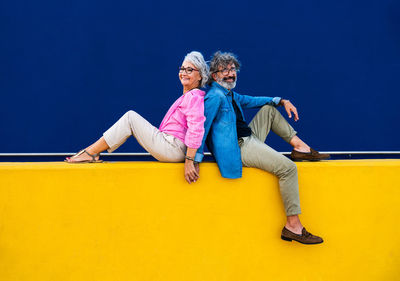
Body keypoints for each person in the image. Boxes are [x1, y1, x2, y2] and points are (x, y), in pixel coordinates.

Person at [194, 51, 329, 244]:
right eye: (225, 70)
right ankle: (293, 226)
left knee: (268, 110)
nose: (231, 73)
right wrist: (194, 160)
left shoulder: (229, 93)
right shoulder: (215, 96)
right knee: (288, 169)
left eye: (233, 69)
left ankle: (301, 148)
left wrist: (281, 101)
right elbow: (202, 128)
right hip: (239, 148)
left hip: (248, 138)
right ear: (214, 76)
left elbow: (252, 100)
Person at [66, 51, 208, 184]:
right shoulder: (191, 96)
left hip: (174, 148)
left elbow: (196, 128)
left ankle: (90, 153)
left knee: (130, 118)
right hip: (172, 146)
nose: (183, 73)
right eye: (182, 69)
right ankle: (90, 153)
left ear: (200, 75)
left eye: (190, 70)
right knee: (131, 119)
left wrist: (190, 160)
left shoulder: (194, 96)